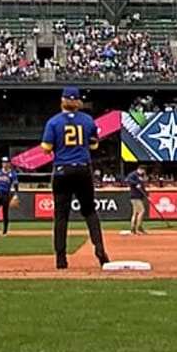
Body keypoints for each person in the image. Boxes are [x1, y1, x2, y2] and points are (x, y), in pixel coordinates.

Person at [40, 87, 110, 269]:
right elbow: (94, 145)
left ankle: (61, 258)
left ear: (62, 101)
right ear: (78, 102)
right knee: (89, 211)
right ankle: (100, 249)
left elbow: (46, 147)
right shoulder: (88, 120)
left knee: (61, 216)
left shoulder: (54, 122)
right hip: (83, 168)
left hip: (62, 170)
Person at [0, 156, 19, 236]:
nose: (4, 164)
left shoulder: (12, 173)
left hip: (6, 194)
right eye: (3, 162)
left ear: (9, 164)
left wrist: (16, 194)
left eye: (6, 163)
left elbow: (16, 184)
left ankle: (5, 231)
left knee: (5, 213)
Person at [124, 165, 149, 235]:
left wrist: (146, 195)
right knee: (142, 211)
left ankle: (133, 228)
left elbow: (142, 186)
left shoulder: (141, 176)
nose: (143, 172)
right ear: (140, 169)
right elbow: (128, 179)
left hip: (140, 196)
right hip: (134, 196)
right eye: (143, 171)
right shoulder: (133, 174)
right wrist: (135, 184)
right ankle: (139, 227)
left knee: (136, 213)